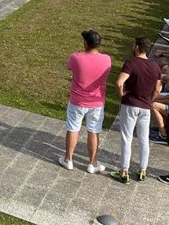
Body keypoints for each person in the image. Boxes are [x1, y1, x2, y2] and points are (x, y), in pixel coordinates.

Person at [109, 37, 162, 184]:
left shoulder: (131, 63)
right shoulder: (155, 67)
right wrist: (151, 98)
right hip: (145, 107)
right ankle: (142, 171)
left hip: (130, 105)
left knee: (127, 138)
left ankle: (124, 171)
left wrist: (122, 93)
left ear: (137, 47)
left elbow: (119, 82)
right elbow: (157, 88)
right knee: (144, 139)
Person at [58, 30, 111, 174]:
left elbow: (69, 67)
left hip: (77, 101)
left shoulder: (76, 57)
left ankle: (68, 159)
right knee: (94, 131)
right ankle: (92, 163)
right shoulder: (106, 59)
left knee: (73, 128)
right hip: (97, 102)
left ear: (86, 43)